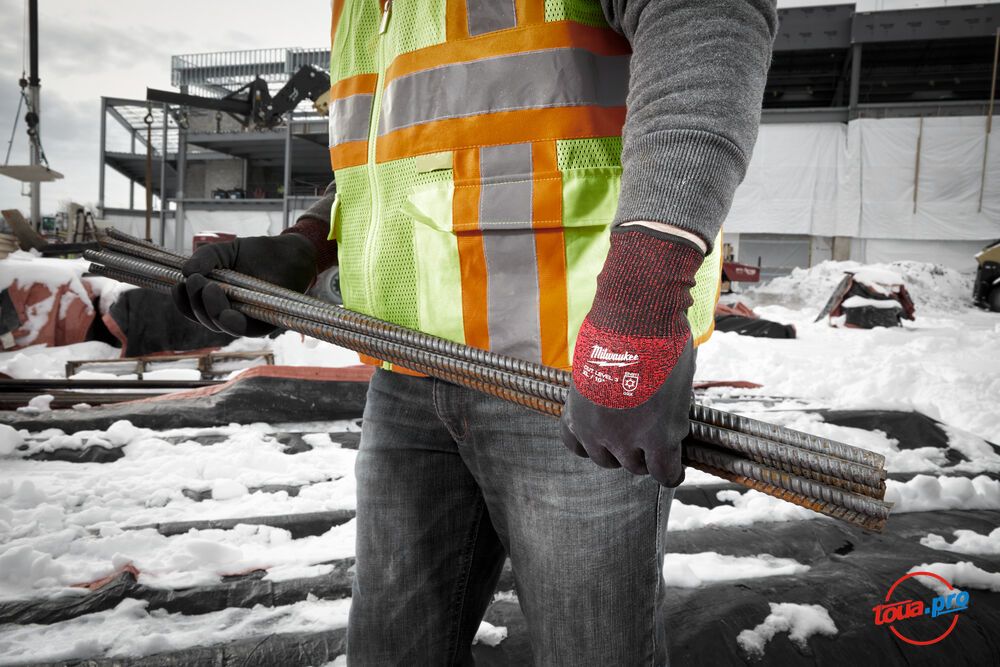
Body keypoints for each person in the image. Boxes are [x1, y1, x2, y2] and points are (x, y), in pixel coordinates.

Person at [171, 1, 777, 663]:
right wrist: (309, 242)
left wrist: (643, 298)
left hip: (565, 376)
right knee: (390, 654)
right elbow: (404, 158)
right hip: (409, 368)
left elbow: (703, 21)